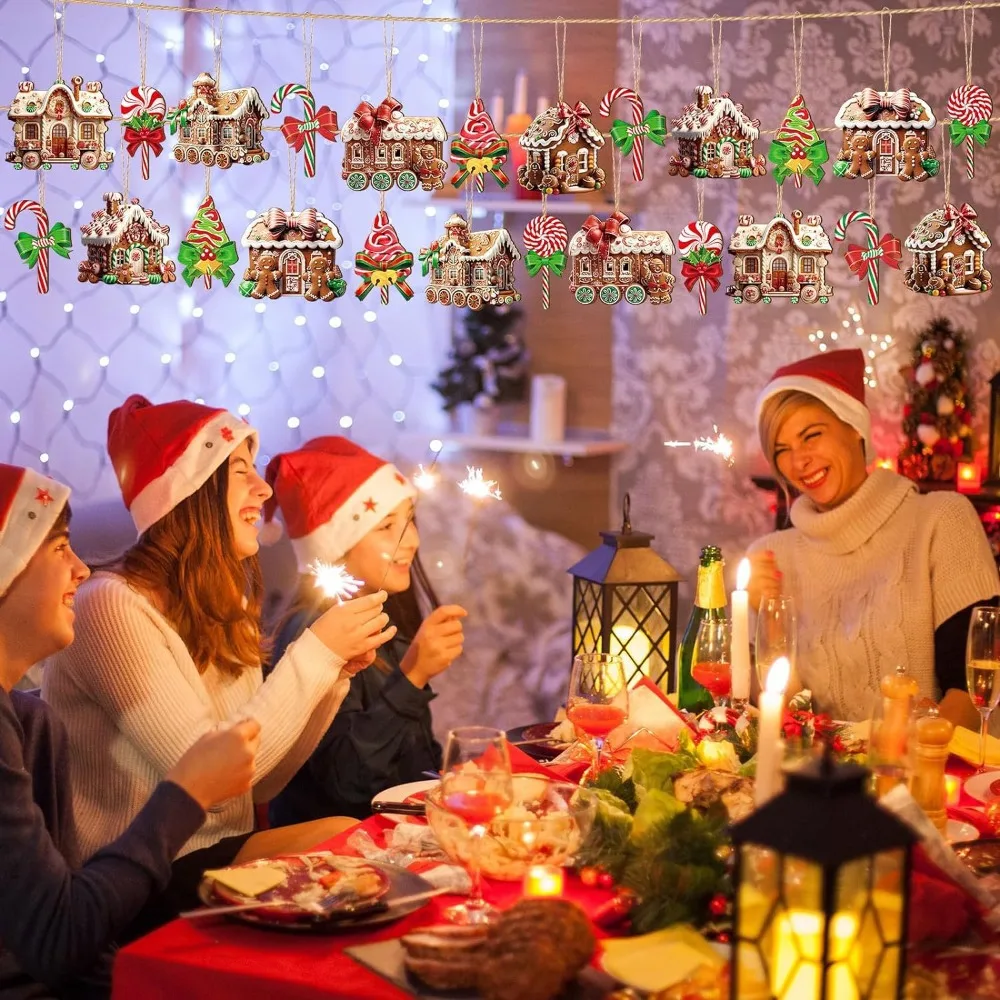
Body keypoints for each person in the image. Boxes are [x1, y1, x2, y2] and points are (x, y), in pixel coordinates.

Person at [43, 396, 396, 935]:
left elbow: (258, 788)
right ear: (193, 492)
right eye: (240, 472)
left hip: (215, 853)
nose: (263, 489)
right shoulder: (108, 606)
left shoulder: (222, 602)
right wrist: (316, 653)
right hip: (131, 878)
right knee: (351, 850)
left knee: (363, 847)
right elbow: (217, 778)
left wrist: (331, 679)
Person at [0, 461, 260, 999]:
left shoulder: (29, 722)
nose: (81, 569)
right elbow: (58, 938)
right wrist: (186, 794)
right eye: (59, 548)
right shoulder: (114, 607)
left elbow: (70, 944)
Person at [749, 348, 999, 729]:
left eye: (811, 435)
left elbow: (971, 700)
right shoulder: (770, 557)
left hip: (924, 778)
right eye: (782, 450)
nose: (798, 461)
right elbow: (784, 724)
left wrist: (896, 768)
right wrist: (769, 624)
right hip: (816, 781)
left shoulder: (940, 522)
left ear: (854, 426)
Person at [261, 437, 466, 826]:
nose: (412, 541)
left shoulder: (385, 613)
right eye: (387, 526)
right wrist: (413, 675)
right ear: (337, 545)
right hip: (333, 856)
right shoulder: (311, 635)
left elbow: (412, 757)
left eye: (409, 520)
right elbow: (347, 782)